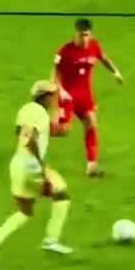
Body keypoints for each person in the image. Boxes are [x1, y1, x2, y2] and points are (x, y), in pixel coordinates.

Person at [0, 80, 72, 264]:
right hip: (32, 166)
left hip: (17, 164)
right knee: (62, 194)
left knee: (25, 211)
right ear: (44, 97)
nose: (54, 100)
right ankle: (51, 240)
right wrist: (41, 165)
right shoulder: (38, 112)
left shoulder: (27, 109)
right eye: (52, 96)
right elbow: (29, 138)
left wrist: (62, 122)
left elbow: (23, 131)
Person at [52, 18, 124, 177]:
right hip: (68, 96)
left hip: (85, 95)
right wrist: (60, 90)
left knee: (91, 125)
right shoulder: (64, 51)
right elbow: (54, 74)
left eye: (86, 35)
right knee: (63, 131)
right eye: (81, 35)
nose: (84, 38)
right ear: (75, 33)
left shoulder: (94, 46)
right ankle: (37, 130)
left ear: (90, 34)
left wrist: (115, 72)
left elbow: (104, 58)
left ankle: (92, 167)